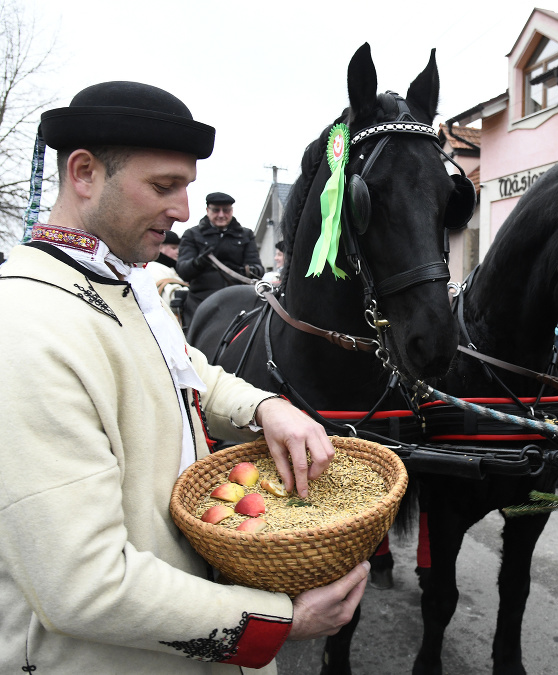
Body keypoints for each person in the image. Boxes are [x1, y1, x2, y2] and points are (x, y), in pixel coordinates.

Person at [0, 81, 369, 674]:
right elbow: (84, 586)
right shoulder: (24, 325)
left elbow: (182, 370)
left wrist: (266, 408)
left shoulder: (120, 282)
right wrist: (280, 622)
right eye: (164, 187)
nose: (183, 212)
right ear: (85, 172)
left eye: (188, 189)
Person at [176, 191, 264, 328]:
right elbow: (183, 270)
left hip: (238, 299)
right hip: (202, 300)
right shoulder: (192, 235)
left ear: (232, 211)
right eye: (216, 210)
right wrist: (199, 262)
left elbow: (258, 269)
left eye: (226, 210)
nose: (221, 215)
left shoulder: (246, 235)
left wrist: (248, 271)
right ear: (207, 210)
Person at [146, 229, 186, 308]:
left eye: (179, 248)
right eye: (174, 248)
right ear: (160, 247)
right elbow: (169, 299)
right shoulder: (154, 267)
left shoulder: (171, 268)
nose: (178, 252)